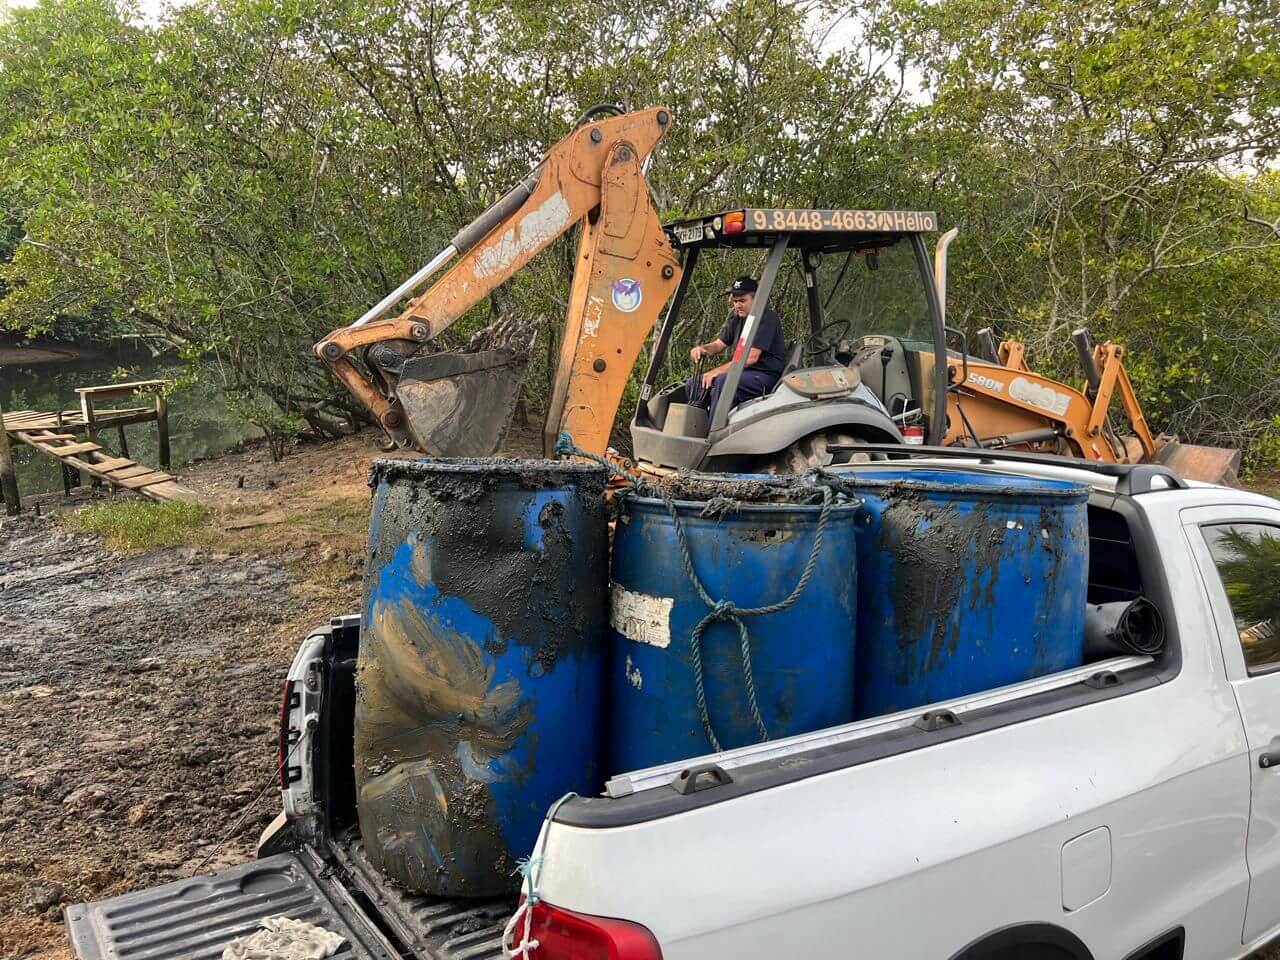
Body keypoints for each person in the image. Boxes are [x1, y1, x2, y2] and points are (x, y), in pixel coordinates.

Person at [685, 276, 787, 414]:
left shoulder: (767, 319)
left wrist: (715, 372)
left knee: (723, 381)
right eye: (735, 301)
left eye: (742, 301)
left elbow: (751, 358)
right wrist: (702, 349)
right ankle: (695, 427)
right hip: (742, 374)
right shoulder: (738, 320)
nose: (737, 305)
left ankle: (713, 432)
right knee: (695, 383)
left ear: (756, 299)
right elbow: (718, 345)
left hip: (764, 377)